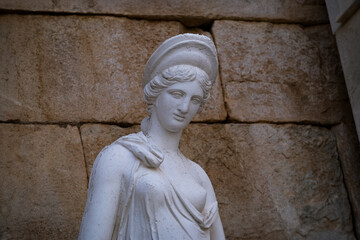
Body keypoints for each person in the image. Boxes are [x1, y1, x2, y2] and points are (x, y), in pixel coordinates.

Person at [78, 33, 225, 240]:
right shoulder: (119, 157)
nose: (184, 107)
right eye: (176, 94)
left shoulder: (198, 174)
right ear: (155, 94)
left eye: (195, 100)